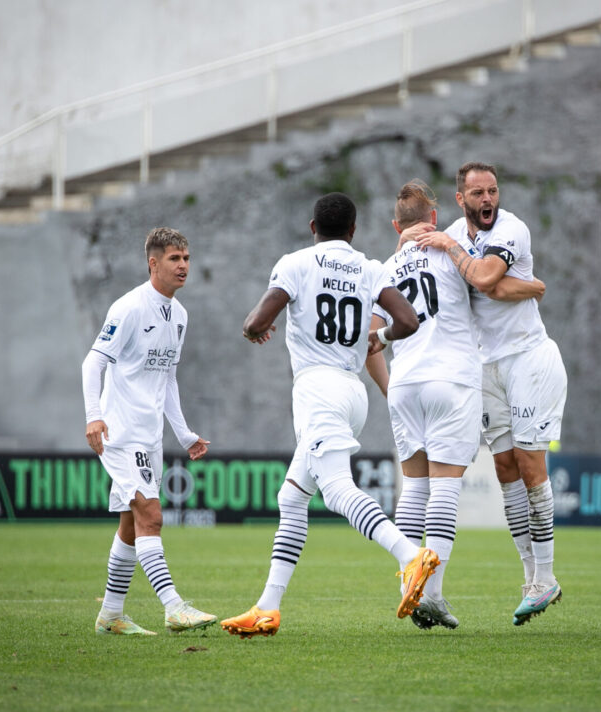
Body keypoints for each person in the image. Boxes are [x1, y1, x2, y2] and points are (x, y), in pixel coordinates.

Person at [220, 192, 440, 638]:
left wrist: (255, 331)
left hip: (317, 390)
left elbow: (255, 321)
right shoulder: (369, 267)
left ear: (311, 226)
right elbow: (409, 321)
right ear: (354, 231)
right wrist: (381, 337)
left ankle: (410, 556)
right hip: (351, 391)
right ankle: (267, 607)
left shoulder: (296, 262)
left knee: (338, 491)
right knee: (293, 498)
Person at [367, 181, 544, 630]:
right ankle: (434, 594)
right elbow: (490, 283)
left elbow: (371, 343)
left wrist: (392, 391)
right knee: (445, 487)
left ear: (395, 225)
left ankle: (409, 583)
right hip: (452, 377)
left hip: (405, 382)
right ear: (434, 219)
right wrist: (533, 285)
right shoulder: (453, 251)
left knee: (414, 489)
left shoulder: (385, 268)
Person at [407, 162, 568, 626]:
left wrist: (466, 259)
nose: (487, 199)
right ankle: (531, 580)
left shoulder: (511, 228)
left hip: (528, 358)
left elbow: (482, 278)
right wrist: (524, 286)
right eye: (477, 192)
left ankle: (548, 576)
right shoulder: (455, 232)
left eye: (493, 190)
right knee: (503, 467)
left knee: (530, 462)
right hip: (484, 364)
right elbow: (496, 285)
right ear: (461, 199)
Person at [82, 226, 216, 636]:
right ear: (153, 263)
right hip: (120, 433)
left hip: (150, 435)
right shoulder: (129, 308)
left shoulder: (179, 315)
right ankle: (174, 607)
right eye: (175, 259)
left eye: (187, 258)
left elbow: (168, 379)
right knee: (151, 516)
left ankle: (111, 615)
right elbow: (92, 364)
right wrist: (93, 415)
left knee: (130, 523)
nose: (184, 266)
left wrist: (184, 434)